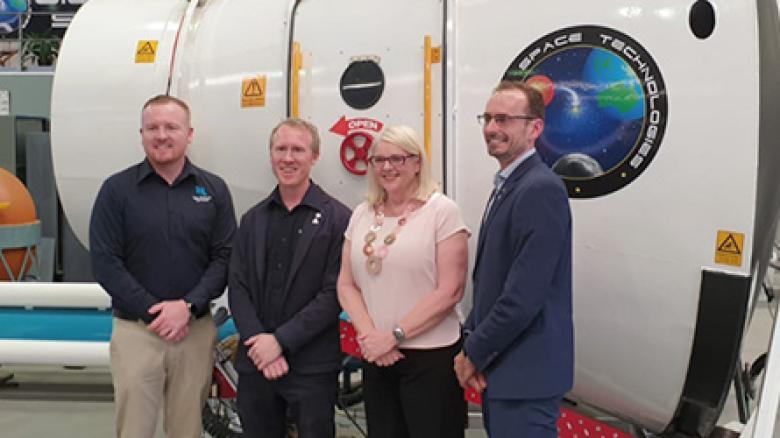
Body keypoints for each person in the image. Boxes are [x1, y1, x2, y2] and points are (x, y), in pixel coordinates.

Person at [90, 94, 237, 438]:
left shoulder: (214, 190)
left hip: (194, 332)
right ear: (141, 133)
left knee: (187, 430)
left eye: (171, 127)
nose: (161, 135)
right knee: (134, 430)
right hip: (136, 333)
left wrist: (186, 307)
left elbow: (225, 257)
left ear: (189, 134)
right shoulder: (116, 191)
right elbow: (105, 261)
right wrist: (155, 312)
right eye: (153, 127)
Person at [454, 80, 574, 437]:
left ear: (534, 128)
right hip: (505, 371)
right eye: (488, 118)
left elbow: (523, 296)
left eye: (504, 119)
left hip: (526, 377)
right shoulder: (510, 184)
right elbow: (491, 281)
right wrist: (472, 342)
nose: (491, 129)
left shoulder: (539, 189)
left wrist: (473, 351)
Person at [337, 125, 469, 438]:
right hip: (377, 356)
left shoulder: (442, 212)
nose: (387, 167)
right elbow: (345, 284)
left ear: (417, 163)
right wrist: (371, 337)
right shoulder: (362, 214)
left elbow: (451, 290)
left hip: (431, 360)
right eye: (379, 160)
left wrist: (395, 335)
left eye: (397, 158)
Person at [228, 118, 351, 438]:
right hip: (256, 363)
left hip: (312, 366)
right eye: (280, 149)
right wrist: (259, 341)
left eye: (298, 149)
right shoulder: (252, 219)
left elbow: (333, 293)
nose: (288, 158)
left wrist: (280, 342)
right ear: (270, 155)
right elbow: (238, 285)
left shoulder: (339, 219)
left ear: (315, 157)